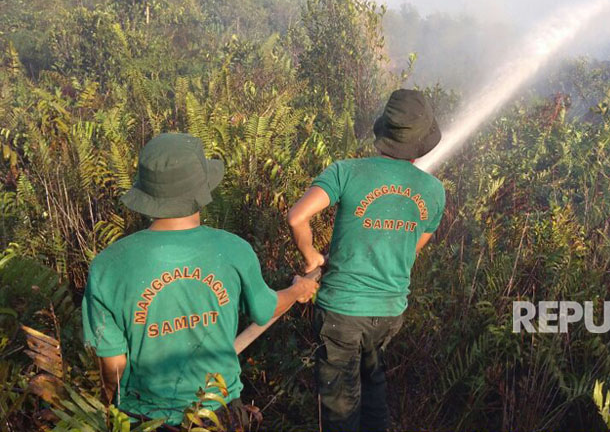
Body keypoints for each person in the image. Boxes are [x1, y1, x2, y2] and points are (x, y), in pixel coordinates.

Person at [82, 133, 318, 426]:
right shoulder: (233, 249)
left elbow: (113, 366)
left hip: (143, 418)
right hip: (218, 411)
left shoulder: (108, 265)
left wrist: (110, 409)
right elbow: (265, 309)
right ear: (202, 188)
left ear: (145, 193)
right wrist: (297, 291)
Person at [287, 89, 446, 432]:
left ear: (384, 132)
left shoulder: (347, 172)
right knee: (373, 389)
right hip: (389, 313)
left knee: (341, 406)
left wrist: (312, 255)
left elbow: (297, 217)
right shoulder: (434, 191)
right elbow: (415, 245)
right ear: (422, 143)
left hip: (342, 313)